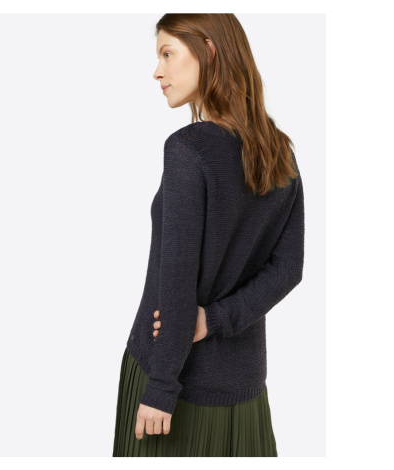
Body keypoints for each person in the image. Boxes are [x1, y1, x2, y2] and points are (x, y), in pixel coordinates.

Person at [112, 13, 305, 457]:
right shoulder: (279, 151)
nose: (157, 71)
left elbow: (177, 278)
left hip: (173, 388)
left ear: (208, 50)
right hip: (246, 388)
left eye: (167, 54)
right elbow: (287, 269)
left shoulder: (188, 150)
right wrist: (217, 319)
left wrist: (161, 386)